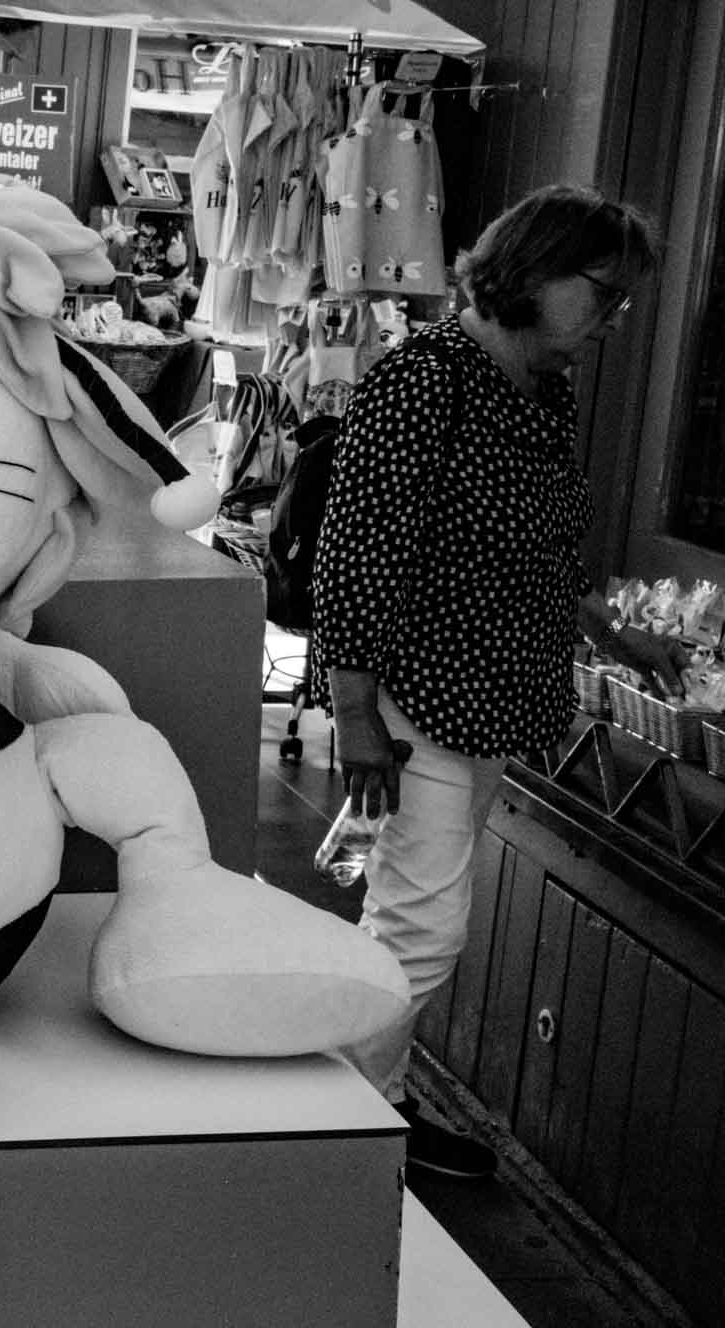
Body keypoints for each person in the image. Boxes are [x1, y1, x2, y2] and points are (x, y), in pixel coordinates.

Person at [313, 185, 677, 1180]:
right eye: (600, 294)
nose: (605, 323)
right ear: (532, 270)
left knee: (404, 916)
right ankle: (337, 1137)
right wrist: (352, 718)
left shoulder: (536, 389)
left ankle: (365, 1103)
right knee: (424, 929)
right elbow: (355, 556)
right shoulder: (424, 380)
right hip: (413, 700)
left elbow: (537, 550)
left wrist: (610, 631)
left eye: (618, 305)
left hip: (485, 705)